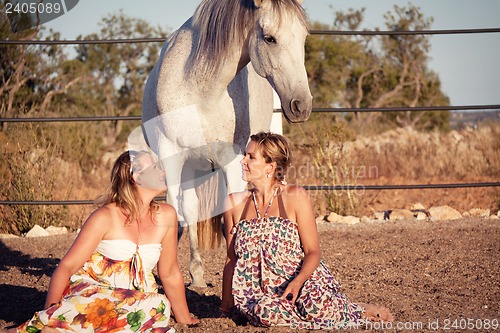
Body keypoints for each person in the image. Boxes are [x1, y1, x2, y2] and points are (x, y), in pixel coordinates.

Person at [1, 151, 199, 333]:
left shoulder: (166, 215)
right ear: (136, 177)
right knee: (98, 306)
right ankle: (57, 327)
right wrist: (49, 314)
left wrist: (184, 318)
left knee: (159, 305)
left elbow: (170, 272)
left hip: (138, 300)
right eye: (155, 167)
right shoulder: (104, 216)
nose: (163, 171)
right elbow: (67, 267)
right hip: (92, 292)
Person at [220, 132, 394, 329]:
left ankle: (355, 309)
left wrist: (298, 282)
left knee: (315, 307)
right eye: (245, 155)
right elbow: (231, 259)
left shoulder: (295, 196)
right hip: (260, 293)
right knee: (265, 312)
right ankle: (302, 310)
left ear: (270, 166)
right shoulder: (234, 203)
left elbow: (313, 251)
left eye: (251, 157)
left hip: (301, 279)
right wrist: (225, 309)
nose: (243, 161)